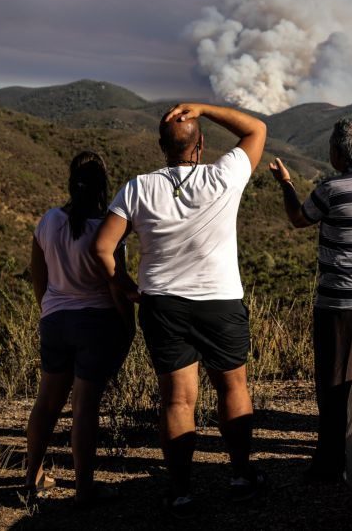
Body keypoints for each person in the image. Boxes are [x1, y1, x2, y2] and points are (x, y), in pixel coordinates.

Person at [93, 102, 267, 513]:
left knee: (177, 401)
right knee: (233, 387)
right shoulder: (223, 176)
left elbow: (101, 247)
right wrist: (204, 107)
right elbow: (256, 129)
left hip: (163, 305)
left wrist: (124, 284)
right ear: (202, 144)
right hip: (220, 301)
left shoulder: (137, 187)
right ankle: (241, 475)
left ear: (160, 147)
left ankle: (182, 489)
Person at [268, 119, 352, 483]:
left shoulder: (332, 190)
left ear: (337, 154)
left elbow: (299, 219)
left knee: (335, 381)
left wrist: (286, 184)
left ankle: (330, 463)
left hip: (342, 304)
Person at [25, 151, 134, 506]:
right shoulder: (107, 229)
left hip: (55, 321)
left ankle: (33, 478)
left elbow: (38, 275)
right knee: (85, 408)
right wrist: (128, 326)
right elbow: (115, 285)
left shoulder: (49, 220)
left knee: (47, 403)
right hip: (96, 323)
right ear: (104, 185)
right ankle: (84, 489)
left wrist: (49, 308)